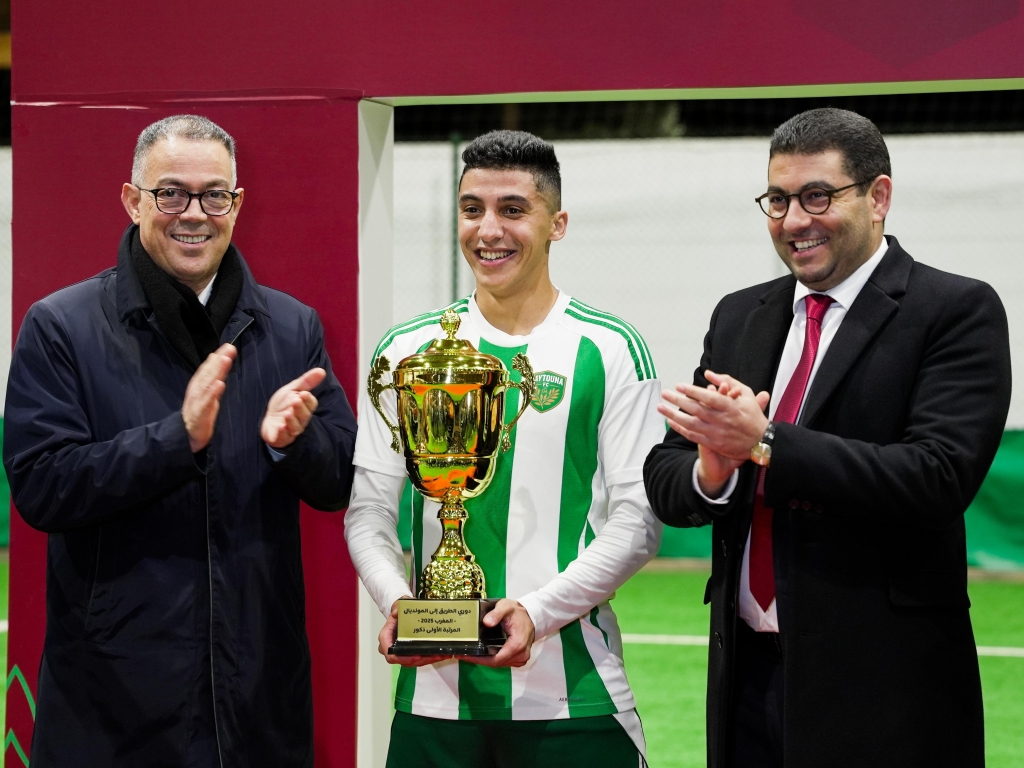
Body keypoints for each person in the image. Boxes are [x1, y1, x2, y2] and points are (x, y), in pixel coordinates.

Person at [643, 107, 1011, 768]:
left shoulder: (954, 309)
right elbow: (671, 474)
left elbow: (938, 477)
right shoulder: (740, 315)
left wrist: (767, 446)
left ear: (879, 197)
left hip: (884, 686)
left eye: (818, 196)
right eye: (778, 200)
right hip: (747, 679)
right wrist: (713, 470)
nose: (793, 220)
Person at [3, 115, 357, 767]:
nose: (193, 213)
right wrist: (176, 440)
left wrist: (296, 441)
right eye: (170, 192)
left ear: (237, 204)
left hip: (257, 705)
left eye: (213, 194)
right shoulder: (59, 326)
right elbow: (41, 488)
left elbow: (338, 481)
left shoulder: (291, 327)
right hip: (110, 711)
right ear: (132, 199)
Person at [345, 130, 663, 767]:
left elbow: (637, 521)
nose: (488, 229)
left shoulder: (608, 348)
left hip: (576, 699)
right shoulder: (406, 353)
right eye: (472, 209)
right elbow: (368, 511)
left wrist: (537, 613)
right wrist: (399, 604)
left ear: (557, 223)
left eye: (512, 210)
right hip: (433, 701)